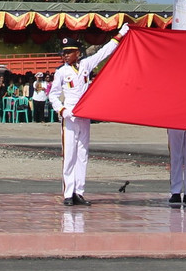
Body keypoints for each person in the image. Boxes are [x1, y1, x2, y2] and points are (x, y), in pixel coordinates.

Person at [49, 23, 129, 206]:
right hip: (69, 116)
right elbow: (52, 95)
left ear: (78, 52)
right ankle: (68, 193)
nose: (66, 55)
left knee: (83, 155)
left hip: (85, 115)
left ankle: (79, 191)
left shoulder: (86, 64)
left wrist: (121, 34)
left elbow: (105, 52)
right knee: (69, 155)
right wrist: (62, 110)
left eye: (69, 52)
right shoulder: (61, 72)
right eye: (64, 53)